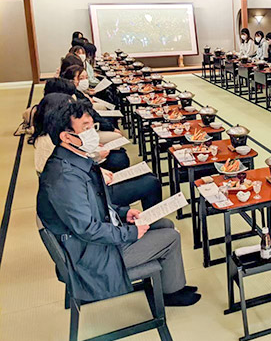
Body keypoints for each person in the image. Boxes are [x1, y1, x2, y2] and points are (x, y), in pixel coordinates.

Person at [37, 98, 200, 306]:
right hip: (92, 255)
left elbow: (96, 204)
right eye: (86, 128)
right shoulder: (64, 177)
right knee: (170, 238)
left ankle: (170, 285)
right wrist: (129, 233)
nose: (93, 133)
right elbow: (87, 229)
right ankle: (171, 293)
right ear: (66, 137)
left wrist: (123, 213)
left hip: (99, 237)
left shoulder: (74, 159)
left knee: (164, 225)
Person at [32, 93, 161, 210]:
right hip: (96, 195)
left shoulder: (58, 139)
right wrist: (97, 167)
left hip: (95, 184)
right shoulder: (51, 150)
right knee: (149, 181)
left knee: (142, 173)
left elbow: (78, 160)